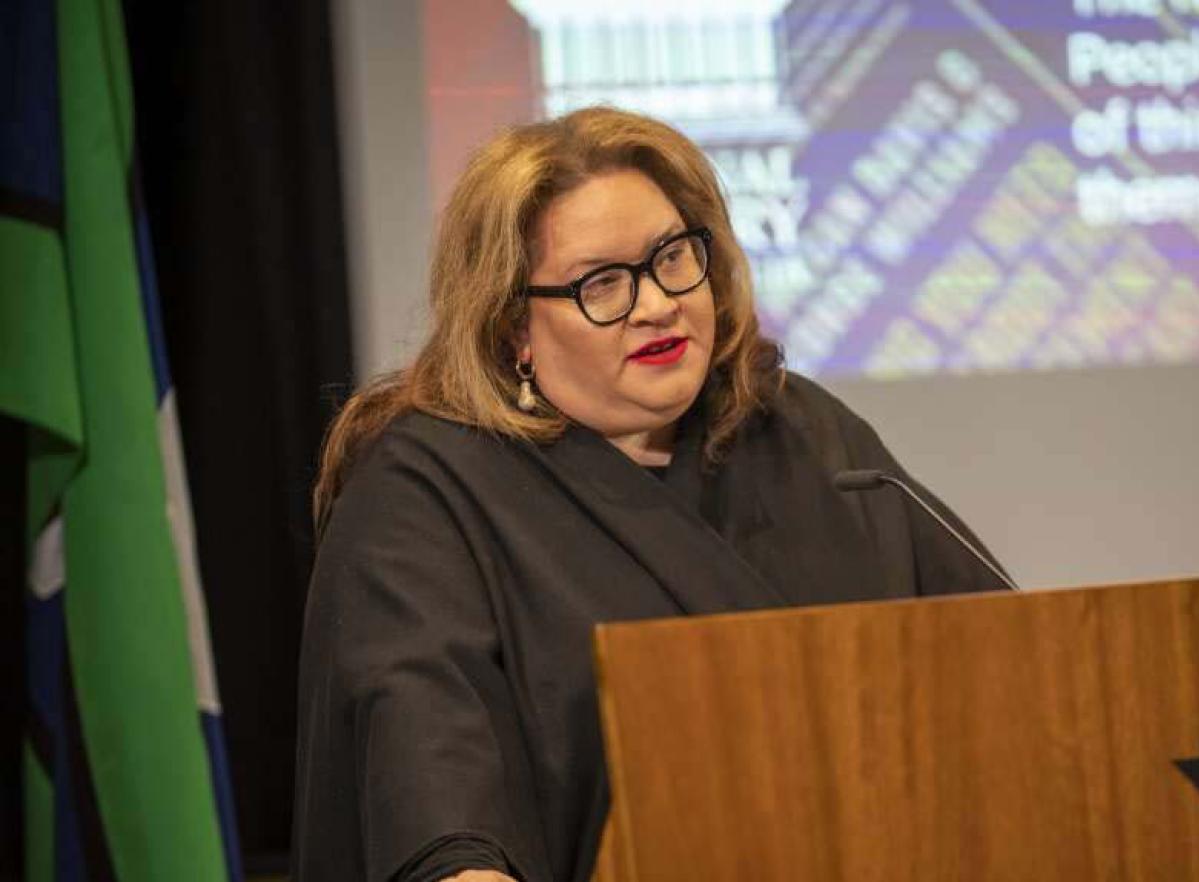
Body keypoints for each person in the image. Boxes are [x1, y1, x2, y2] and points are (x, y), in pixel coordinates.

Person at [292, 107, 1010, 882]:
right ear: (513, 331)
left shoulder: (802, 432)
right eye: (602, 283)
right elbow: (430, 786)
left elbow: (1007, 677)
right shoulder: (426, 490)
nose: (657, 302)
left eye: (672, 256)